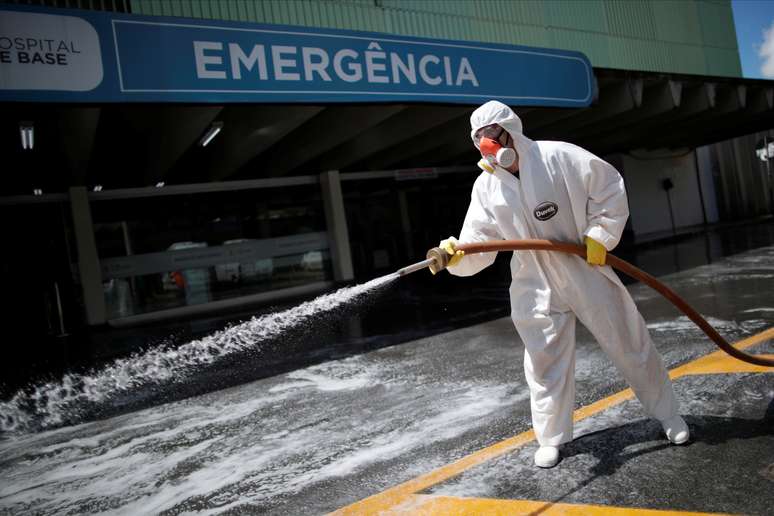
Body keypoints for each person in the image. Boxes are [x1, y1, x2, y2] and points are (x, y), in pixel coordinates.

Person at [438, 100, 688, 468]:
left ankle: (669, 415)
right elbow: (479, 243)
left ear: (511, 131)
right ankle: (552, 439)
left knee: (629, 342)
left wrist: (600, 234)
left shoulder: (559, 157)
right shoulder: (486, 187)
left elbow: (609, 188)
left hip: (584, 267)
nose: (486, 144)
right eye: (479, 138)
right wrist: (458, 255)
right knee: (543, 362)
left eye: (491, 134)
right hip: (533, 281)